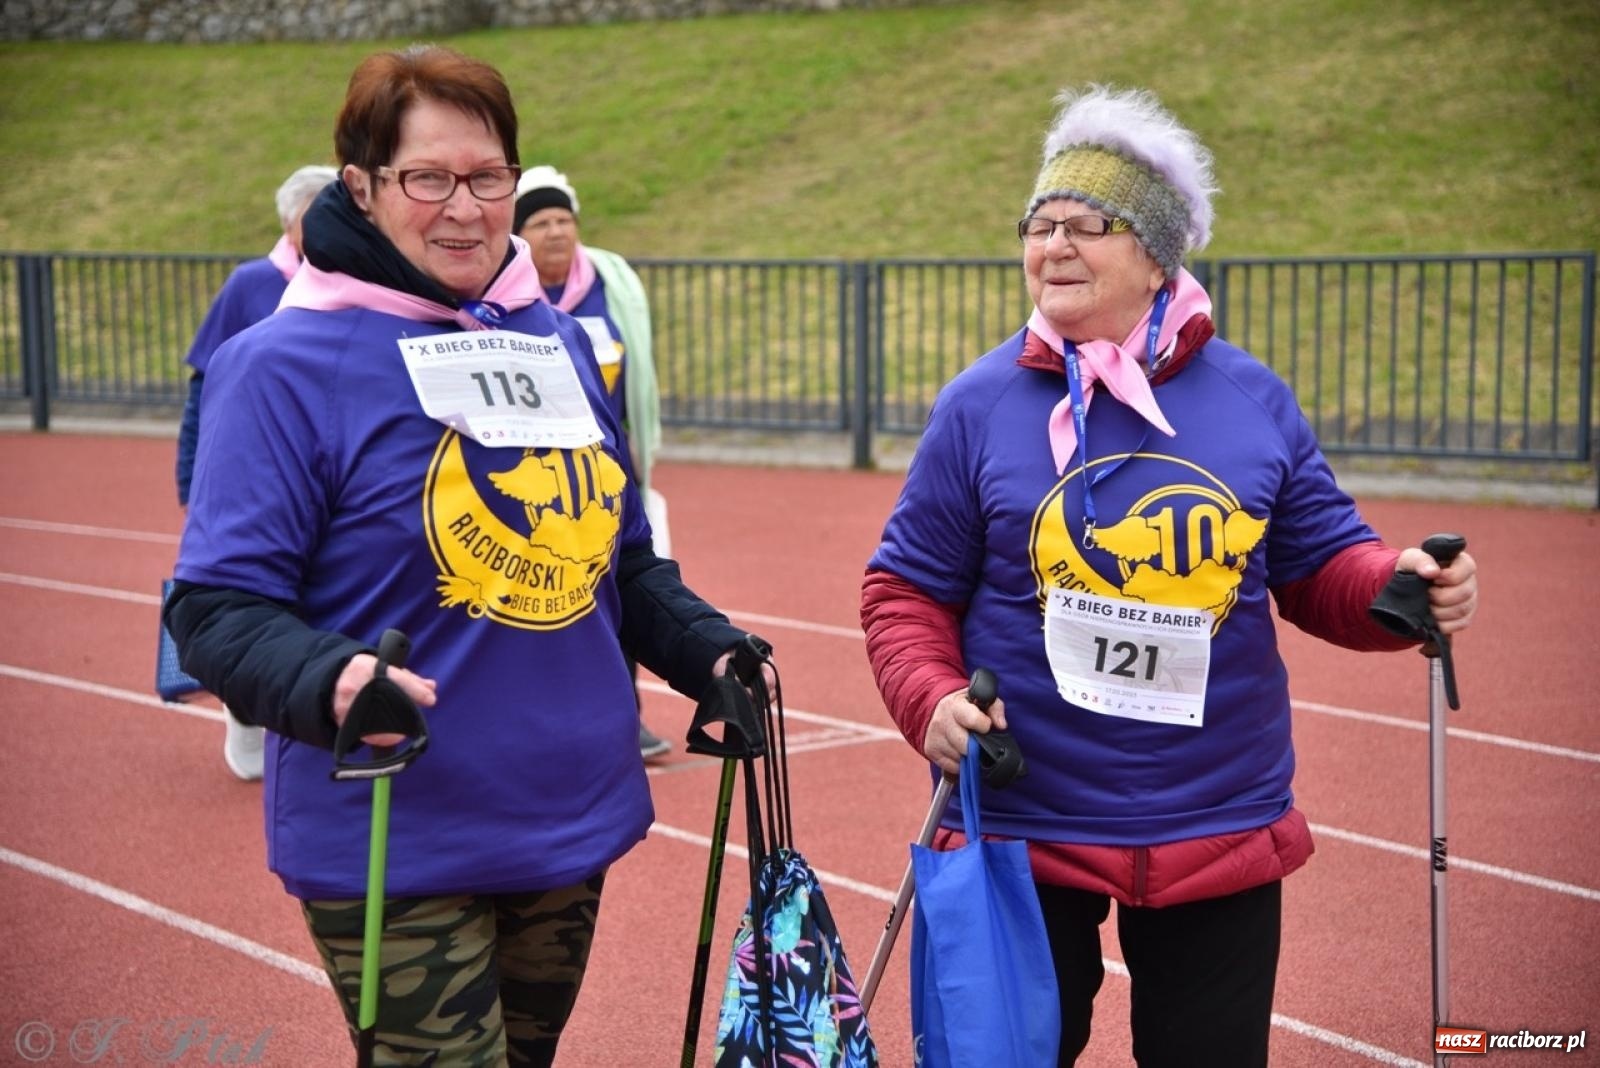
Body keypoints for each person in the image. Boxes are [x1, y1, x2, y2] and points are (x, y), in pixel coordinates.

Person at [165, 44, 766, 1067]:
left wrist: (705, 649)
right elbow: (215, 609)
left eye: (489, 178)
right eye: (427, 178)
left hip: (568, 814)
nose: (465, 209)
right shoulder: (278, 366)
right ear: (361, 186)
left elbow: (615, 559)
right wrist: (330, 676)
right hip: (398, 828)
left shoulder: (553, 342)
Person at [860, 84, 1478, 1067]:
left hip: (1215, 815)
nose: (1053, 246)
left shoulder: (1249, 398)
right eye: (1039, 225)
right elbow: (906, 591)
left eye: (1086, 225)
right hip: (1025, 813)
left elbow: (1320, 562)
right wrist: (930, 699)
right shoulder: (978, 405)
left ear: (1156, 257)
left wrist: (1396, 585)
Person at [172, 162, 337, 782]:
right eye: (316, 215)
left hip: (321, 470)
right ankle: (245, 714)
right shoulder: (251, 285)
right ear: (290, 225)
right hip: (250, 468)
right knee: (252, 595)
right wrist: (191, 475)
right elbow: (204, 387)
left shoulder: (361, 285)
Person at [512, 166, 675, 761]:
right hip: (540, 472)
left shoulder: (612, 288)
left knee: (622, 584)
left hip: (610, 468)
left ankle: (626, 714)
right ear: (518, 234)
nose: (556, 232)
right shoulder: (512, 298)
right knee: (551, 591)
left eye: (564, 220)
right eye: (541, 222)